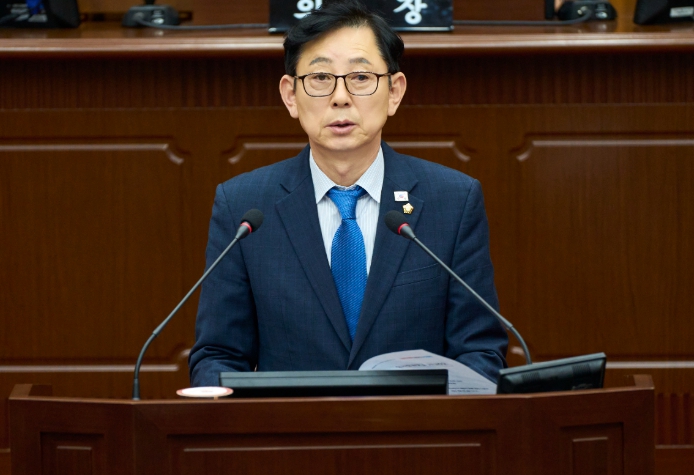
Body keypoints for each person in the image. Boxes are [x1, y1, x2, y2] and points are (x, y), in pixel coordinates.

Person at [188, 0, 508, 387]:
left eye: (360, 77)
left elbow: (479, 351)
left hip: (413, 425)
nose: (340, 97)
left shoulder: (453, 201)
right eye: (321, 77)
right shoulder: (244, 207)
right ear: (290, 95)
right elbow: (218, 355)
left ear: (394, 91)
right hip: (290, 425)